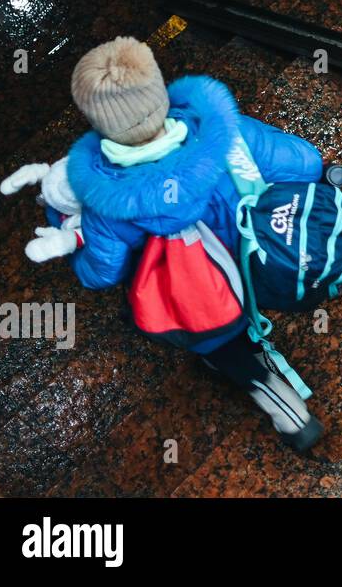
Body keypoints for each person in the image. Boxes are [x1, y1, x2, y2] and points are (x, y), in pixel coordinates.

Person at [63, 37, 328, 451]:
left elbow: (101, 272)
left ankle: (287, 411)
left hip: (202, 297)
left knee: (219, 345)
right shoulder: (227, 135)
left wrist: (76, 258)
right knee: (250, 301)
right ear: (158, 87)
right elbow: (306, 163)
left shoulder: (106, 200)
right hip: (262, 265)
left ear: (98, 122)